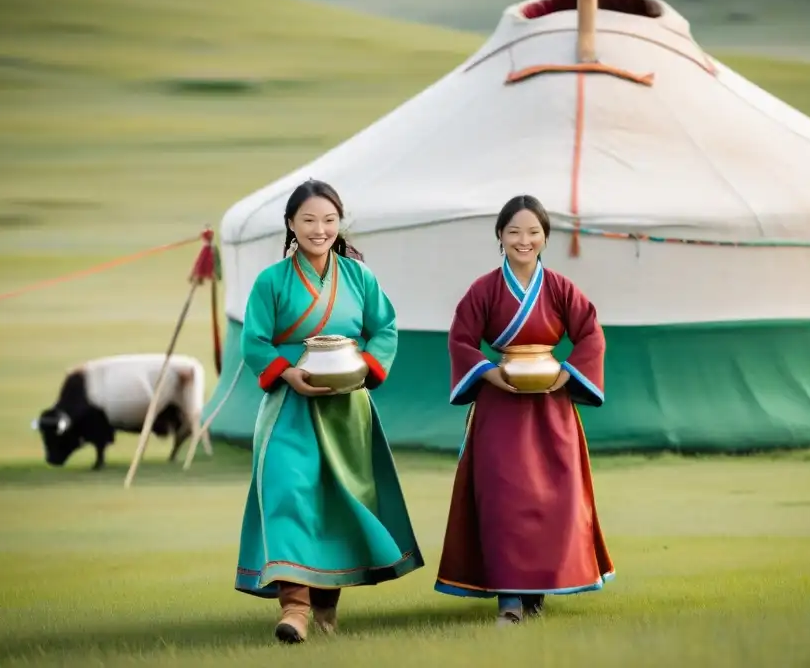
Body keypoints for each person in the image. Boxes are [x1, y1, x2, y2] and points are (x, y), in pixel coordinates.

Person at [234, 179, 424, 644]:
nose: (319, 230)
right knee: (288, 494)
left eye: (329, 220)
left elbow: (385, 328)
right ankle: (294, 608)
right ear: (290, 224)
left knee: (338, 504)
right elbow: (253, 340)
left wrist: (363, 370)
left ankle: (326, 611)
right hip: (288, 406)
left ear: (340, 224)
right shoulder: (271, 282)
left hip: (347, 406)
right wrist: (287, 372)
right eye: (309, 220)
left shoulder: (360, 278)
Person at [434, 194, 615, 626]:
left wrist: (568, 374)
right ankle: (509, 601)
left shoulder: (560, 288)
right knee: (502, 500)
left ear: (545, 237)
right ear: (499, 236)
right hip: (500, 406)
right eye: (514, 231)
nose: (524, 240)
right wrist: (489, 373)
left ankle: (538, 593)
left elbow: (590, 333)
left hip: (551, 405)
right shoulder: (483, 290)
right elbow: (461, 338)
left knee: (553, 499)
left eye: (533, 232)